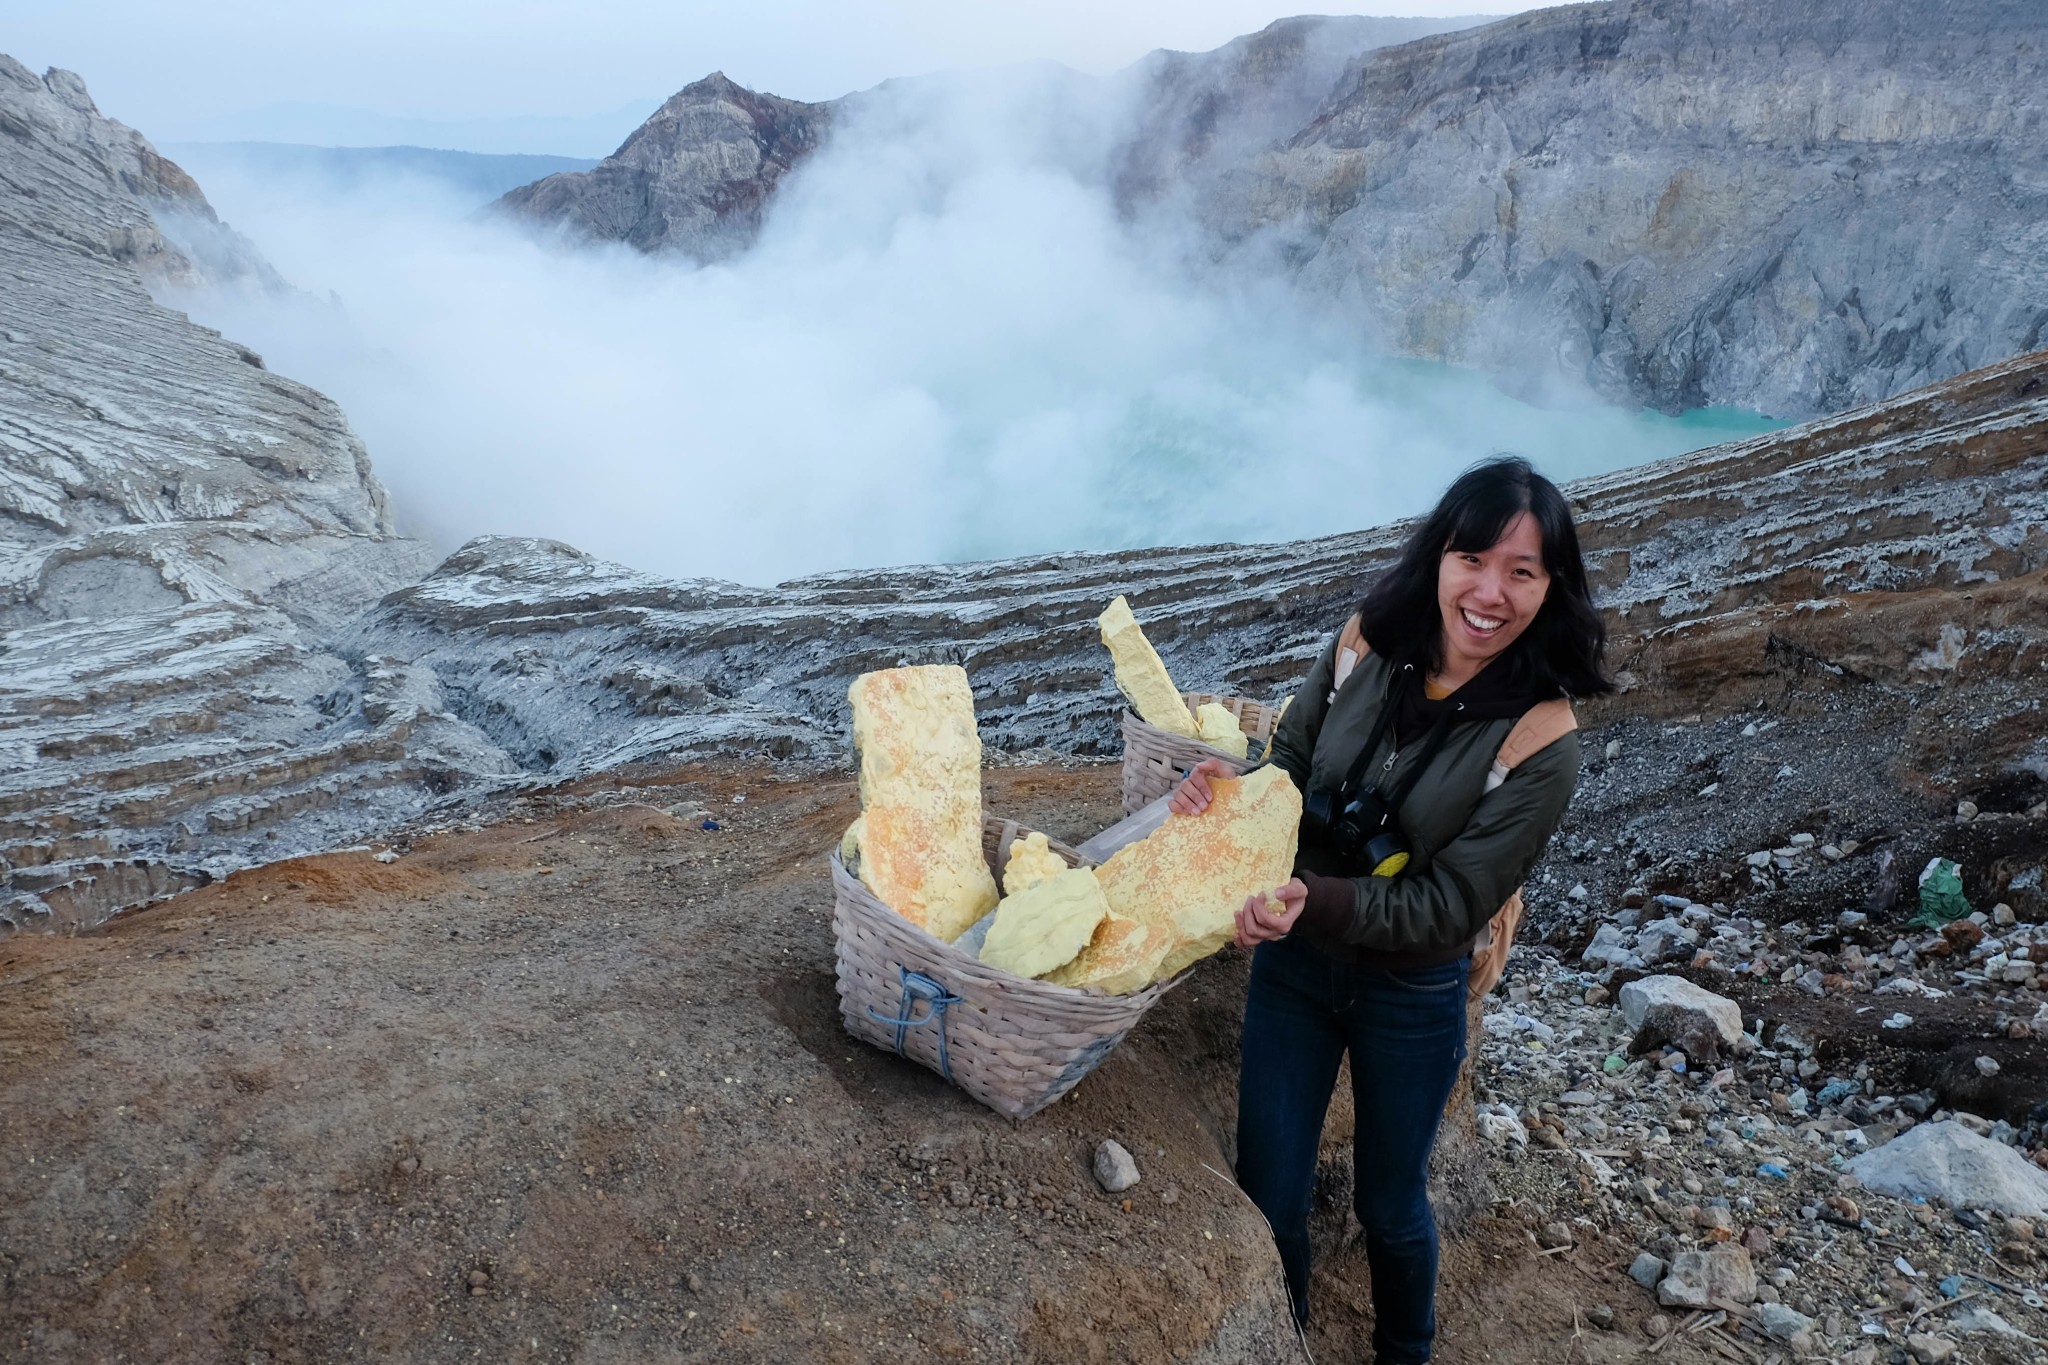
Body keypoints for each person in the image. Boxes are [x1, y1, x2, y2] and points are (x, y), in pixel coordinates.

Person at [1170, 456, 1611, 1363]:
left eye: (1522, 572)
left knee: (1389, 1202)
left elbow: (1450, 904)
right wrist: (1234, 792)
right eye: (1472, 559)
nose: (1491, 591)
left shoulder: (1541, 739)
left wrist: (1312, 898)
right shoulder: (1366, 641)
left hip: (1410, 991)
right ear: (1439, 557)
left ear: (1551, 588)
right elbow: (1292, 756)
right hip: (1297, 967)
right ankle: (1285, 1340)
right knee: (1268, 1188)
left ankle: (1405, 1350)